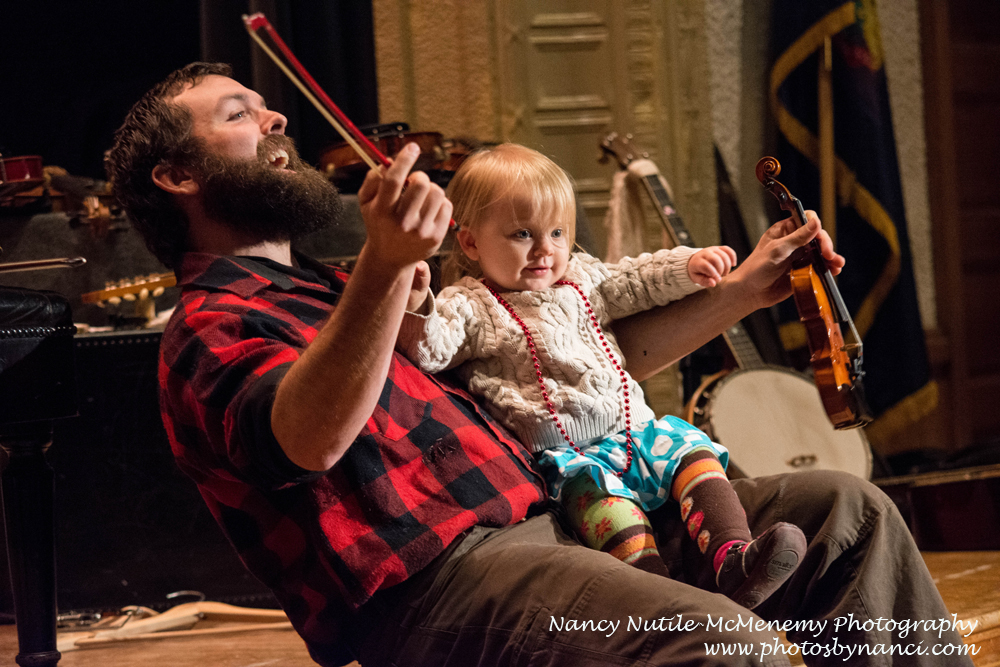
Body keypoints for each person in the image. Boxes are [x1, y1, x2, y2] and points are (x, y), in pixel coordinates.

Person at [106, 62, 973, 667]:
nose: (275, 118)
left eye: (266, 104)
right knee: (726, 645)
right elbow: (305, 440)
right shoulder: (211, 323)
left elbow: (566, 372)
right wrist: (380, 270)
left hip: (567, 506)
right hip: (445, 584)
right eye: (237, 114)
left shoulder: (335, 291)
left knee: (846, 512)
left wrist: (744, 291)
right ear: (178, 174)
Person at [395, 144, 806, 610]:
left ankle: (734, 559)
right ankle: (660, 595)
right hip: (569, 462)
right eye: (522, 234)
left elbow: (637, 279)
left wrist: (689, 267)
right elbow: (429, 350)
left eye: (557, 232)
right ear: (470, 243)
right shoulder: (470, 304)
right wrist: (415, 298)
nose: (545, 249)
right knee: (611, 513)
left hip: (636, 433)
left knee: (696, 456)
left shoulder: (582, 278)